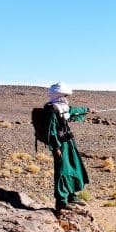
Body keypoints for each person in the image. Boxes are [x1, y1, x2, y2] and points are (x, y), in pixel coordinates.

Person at [46, 82, 91, 211]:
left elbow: (72, 110)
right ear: (58, 95)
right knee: (62, 171)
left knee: (74, 166)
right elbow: (52, 131)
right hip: (60, 145)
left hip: (68, 142)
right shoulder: (52, 109)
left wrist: (87, 110)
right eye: (65, 95)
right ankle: (61, 201)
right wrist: (56, 148)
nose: (66, 97)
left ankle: (72, 195)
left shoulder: (61, 107)